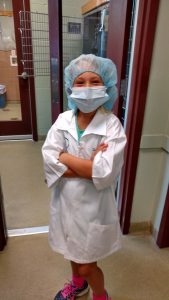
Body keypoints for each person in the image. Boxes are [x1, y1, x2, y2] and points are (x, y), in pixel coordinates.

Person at [42, 54, 127, 300]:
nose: (87, 88)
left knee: (89, 265)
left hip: (94, 209)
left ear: (106, 86)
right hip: (65, 202)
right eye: (80, 82)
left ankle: (101, 295)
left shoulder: (112, 125)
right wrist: (88, 164)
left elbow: (104, 171)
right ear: (70, 86)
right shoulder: (62, 121)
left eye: (94, 81)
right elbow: (49, 158)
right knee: (71, 252)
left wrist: (66, 158)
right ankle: (78, 284)